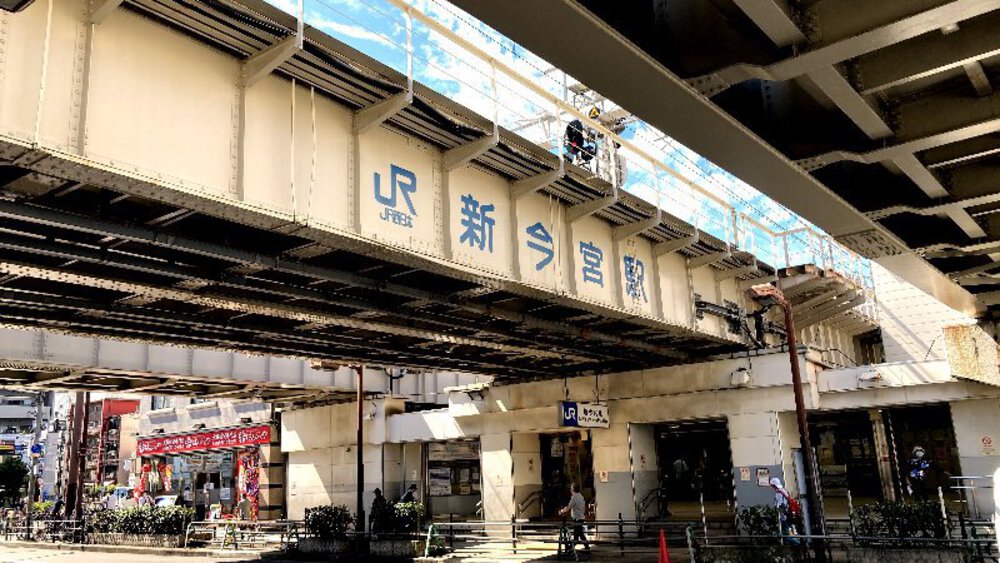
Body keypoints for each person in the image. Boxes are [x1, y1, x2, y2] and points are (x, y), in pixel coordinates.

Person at [559, 483, 590, 551]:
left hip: (577, 518)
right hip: (581, 517)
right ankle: (586, 547)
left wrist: (562, 511)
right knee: (580, 533)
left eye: (571, 488)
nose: (570, 489)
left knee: (577, 534)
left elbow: (569, 506)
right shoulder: (581, 496)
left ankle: (571, 547)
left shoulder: (574, 497)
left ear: (573, 489)